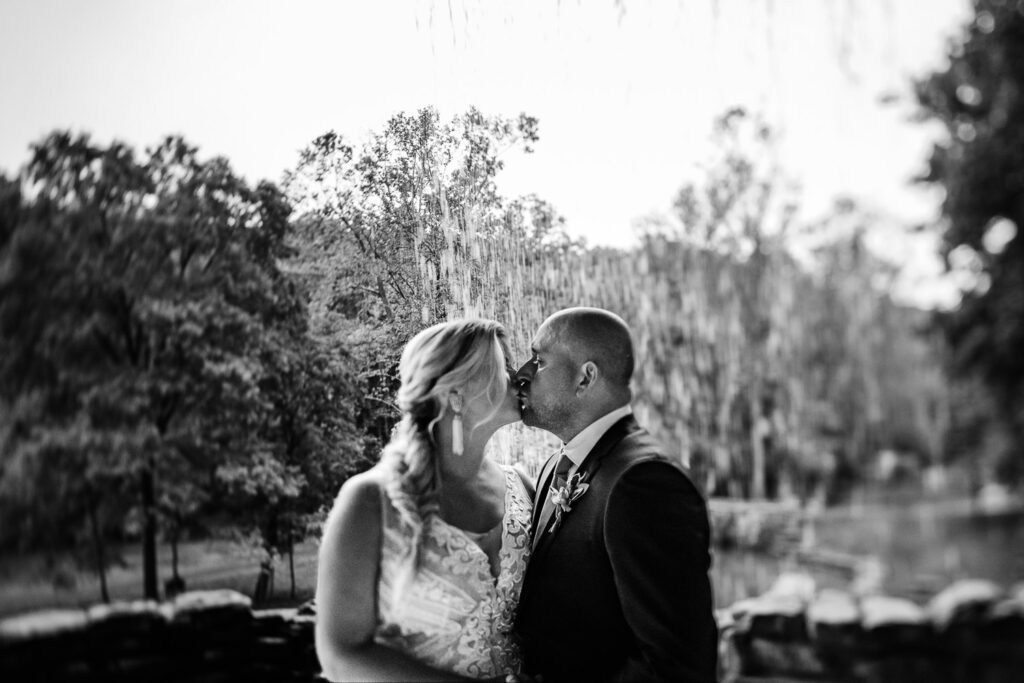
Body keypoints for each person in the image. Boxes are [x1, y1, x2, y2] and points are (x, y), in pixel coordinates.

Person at [315, 319, 533, 682]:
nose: (520, 375)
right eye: (504, 366)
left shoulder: (522, 488)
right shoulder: (371, 501)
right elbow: (341, 655)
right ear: (456, 394)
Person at [513, 307, 718, 682]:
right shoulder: (554, 466)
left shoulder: (645, 482)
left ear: (585, 378)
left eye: (539, 361)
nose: (522, 374)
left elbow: (677, 666)